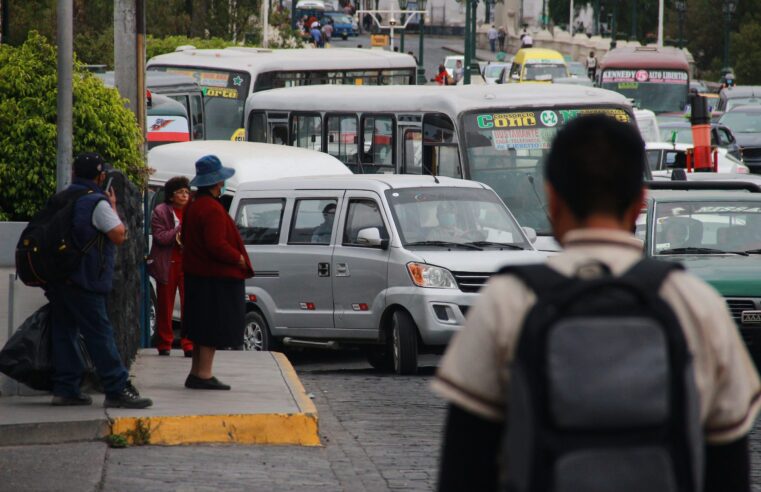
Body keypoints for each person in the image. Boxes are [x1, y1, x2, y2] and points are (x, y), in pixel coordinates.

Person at [433, 115, 761, 491]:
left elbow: (464, 467)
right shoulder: (696, 303)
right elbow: (729, 468)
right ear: (640, 203)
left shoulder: (506, 301)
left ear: (552, 199)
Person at [47, 152, 152, 409]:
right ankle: (117, 387)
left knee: (65, 333)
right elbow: (119, 234)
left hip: (59, 279)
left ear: (73, 174)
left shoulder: (61, 198)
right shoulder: (97, 202)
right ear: (101, 176)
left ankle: (66, 388)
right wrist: (113, 206)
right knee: (100, 334)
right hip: (86, 280)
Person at [182, 155, 254, 390]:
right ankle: (203, 374)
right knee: (211, 326)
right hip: (213, 277)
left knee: (201, 326)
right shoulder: (211, 209)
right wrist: (238, 258)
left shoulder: (194, 206)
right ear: (216, 183)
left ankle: (197, 372)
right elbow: (216, 244)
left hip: (198, 275)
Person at [148, 176, 193, 357]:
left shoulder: (192, 210)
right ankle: (164, 343)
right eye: (180, 192)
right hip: (167, 263)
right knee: (165, 305)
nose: (184, 195)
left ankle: (188, 343)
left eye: (187, 192)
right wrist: (179, 228)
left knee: (189, 305)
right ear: (171, 195)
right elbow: (161, 238)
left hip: (187, 262)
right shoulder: (161, 211)